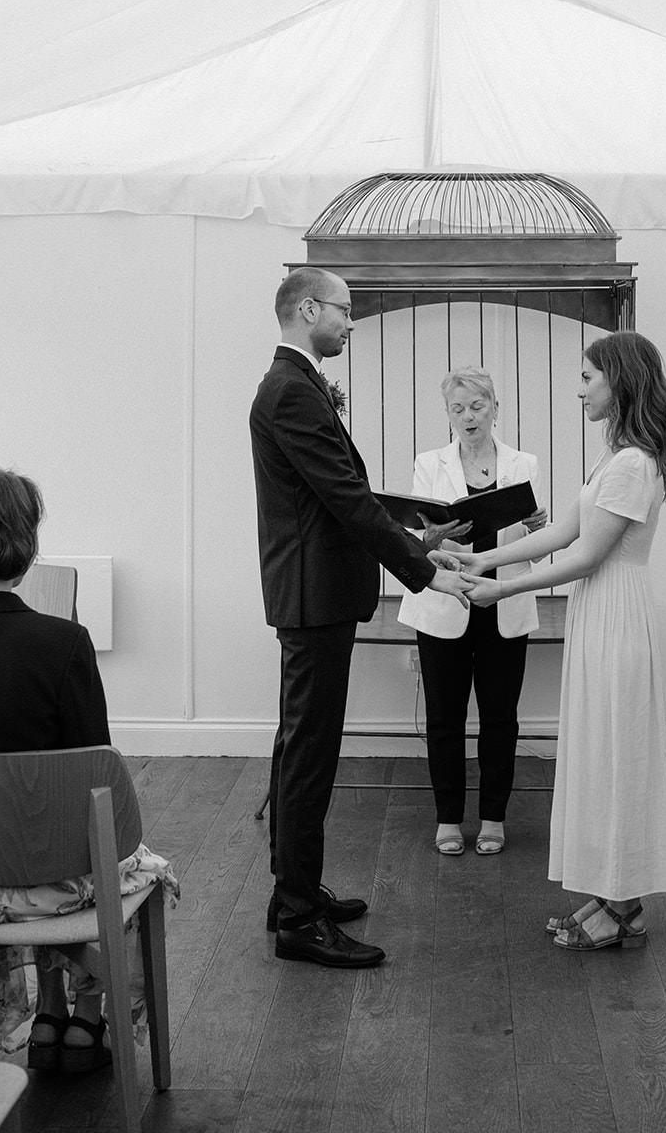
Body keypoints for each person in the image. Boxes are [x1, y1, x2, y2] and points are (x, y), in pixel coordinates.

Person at [249, 266, 471, 970]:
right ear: (308, 307)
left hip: (318, 592)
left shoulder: (298, 384)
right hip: (314, 597)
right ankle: (296, 917)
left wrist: (416, 528)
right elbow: (343, 498)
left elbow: (341, 492)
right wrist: (425, 569)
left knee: (299, 748)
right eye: (345, 311)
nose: (351, 323)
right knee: (308, 755)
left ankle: (296, 889)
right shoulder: (291, 390)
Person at [462, 331, 666, 950]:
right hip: (603, 612)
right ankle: (616, 896)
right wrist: (486, 560)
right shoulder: (616, 458)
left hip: (615, 613)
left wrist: (501, 591)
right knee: (601, 751)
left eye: (588, 376)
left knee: (616, 754)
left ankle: (623, 903)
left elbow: (586, 556)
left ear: (620, 382)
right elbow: (563, 530)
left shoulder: (634, 463)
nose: (579, 387)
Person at [0, 467, 176, 1072]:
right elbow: (95, 787)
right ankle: (84, 1009)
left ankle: (48, 1007)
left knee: (29, 836)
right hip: (51, 885)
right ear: (28, 548)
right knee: (117, 853)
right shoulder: (63, 643)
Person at [398, 366, 546, 857]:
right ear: (448, 414)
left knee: (501, 719)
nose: (469, 417)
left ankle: (493, 819)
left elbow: (538, 553)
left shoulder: (523, 463)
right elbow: (415, 543)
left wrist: (537, 527)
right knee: (444, 719)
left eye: (477, 406)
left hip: (503, 606)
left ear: (495, 409)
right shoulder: (429, 464)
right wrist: (433, 537)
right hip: (446, 603)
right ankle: (447, 819)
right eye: (458, 408)